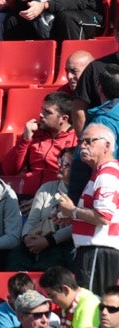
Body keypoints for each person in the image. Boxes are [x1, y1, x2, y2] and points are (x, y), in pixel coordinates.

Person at [63, 122, 119, 294]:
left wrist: (72, 210)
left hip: (98, 252)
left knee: (94, 306)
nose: (83, 146)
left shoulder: (107, 175)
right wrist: (71, 214)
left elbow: (102, 217)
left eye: (89, 141)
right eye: (81, 142)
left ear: (107, 146)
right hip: (94, 251)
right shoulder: (100, 173)